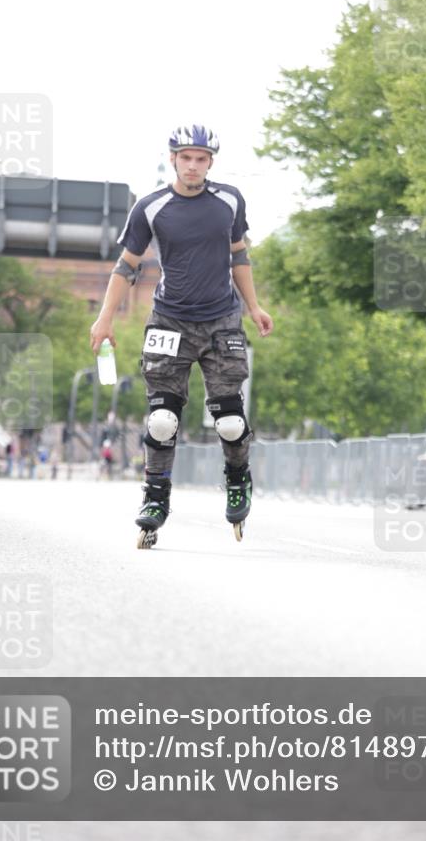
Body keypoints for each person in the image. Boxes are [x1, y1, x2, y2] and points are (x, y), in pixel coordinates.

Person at [90, 124, 273, 545]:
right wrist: (104, 319)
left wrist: (254, 306)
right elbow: (126, 264)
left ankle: (237, 476)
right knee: (161, 419)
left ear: (211, 162)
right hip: (169, 320)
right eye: (186, 157)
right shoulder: (151, 207)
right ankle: (155, 498)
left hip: (221, 319)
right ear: (173, 158)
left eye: (201, 159)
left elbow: (239, 255)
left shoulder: (229, 200)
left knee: (228, 420)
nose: (193, 165)